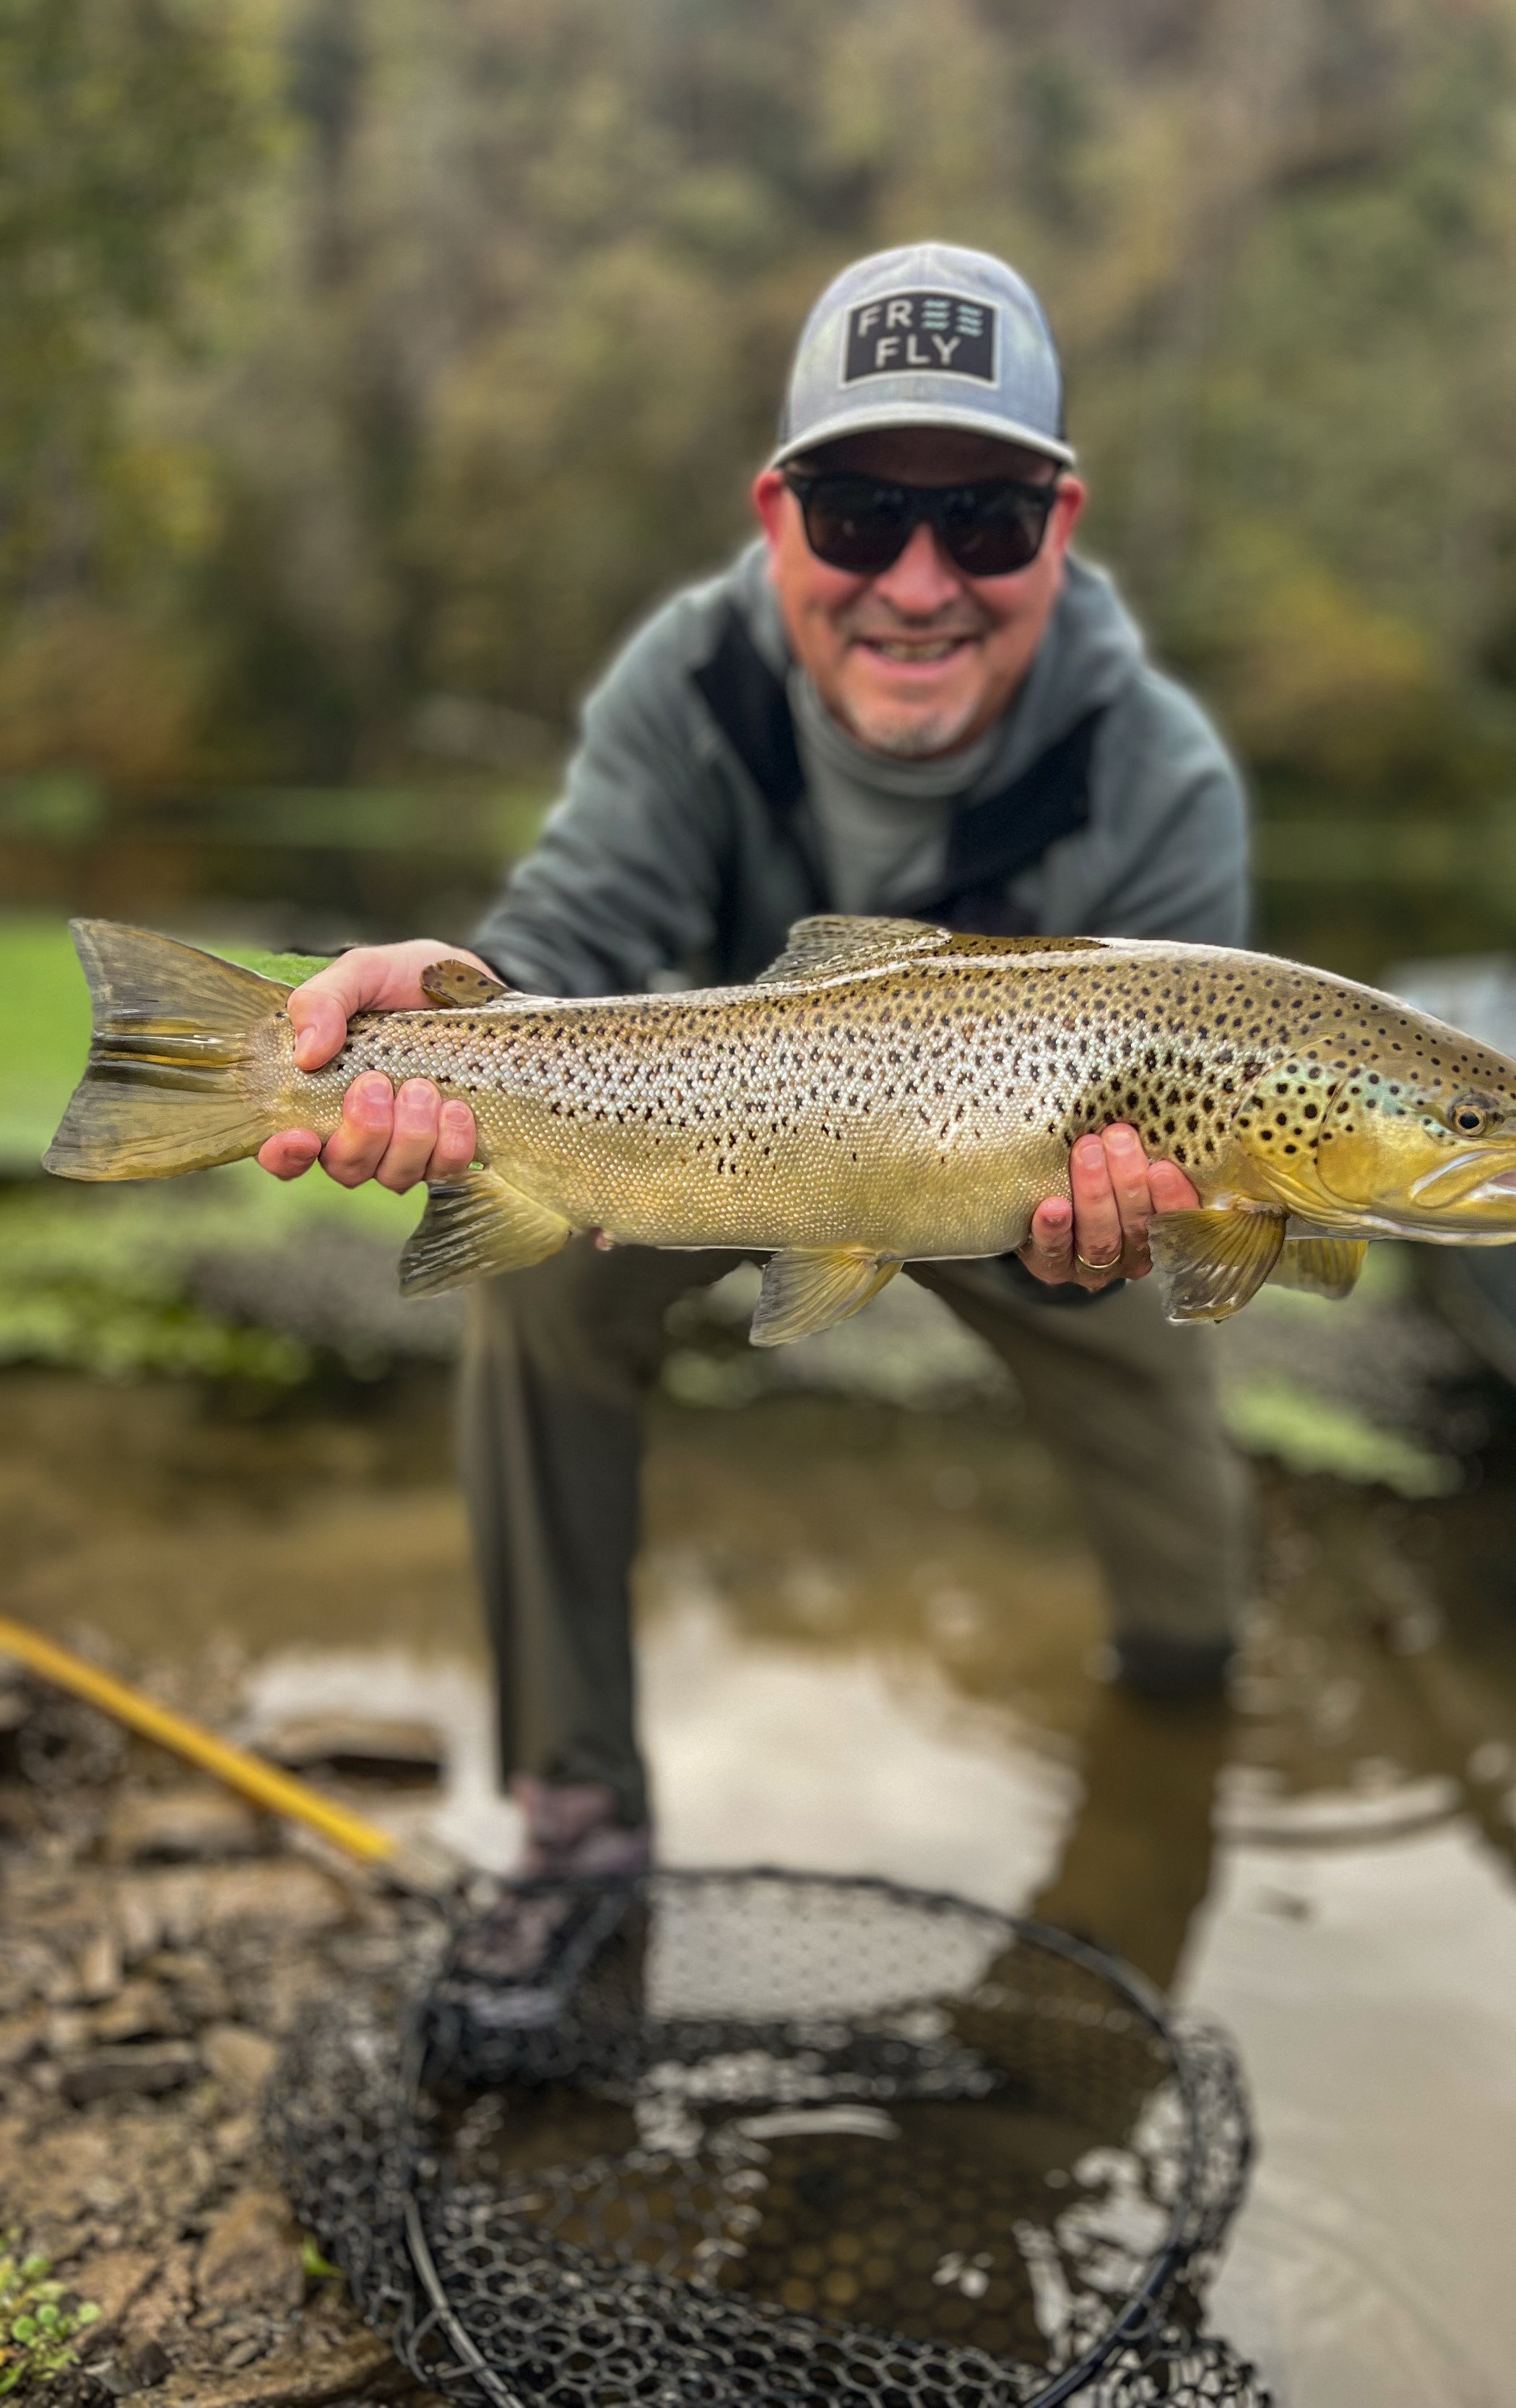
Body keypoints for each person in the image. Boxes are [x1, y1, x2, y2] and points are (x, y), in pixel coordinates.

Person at [256, 243, 1254, 1907]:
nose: (919, 582)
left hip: (1033, 1193)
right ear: (777, 513)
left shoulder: (1162, 776)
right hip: (718, 1135)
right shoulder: (689, 679)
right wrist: (448, 998)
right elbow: (573, 925)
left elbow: (1202, 1153)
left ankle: (1179, 1721)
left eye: (986, 522)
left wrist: (1148, 1227)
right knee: (542, 1289)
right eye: (862, 514)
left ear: (1060, 527)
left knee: (1191, 1576)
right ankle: (575, 1817)